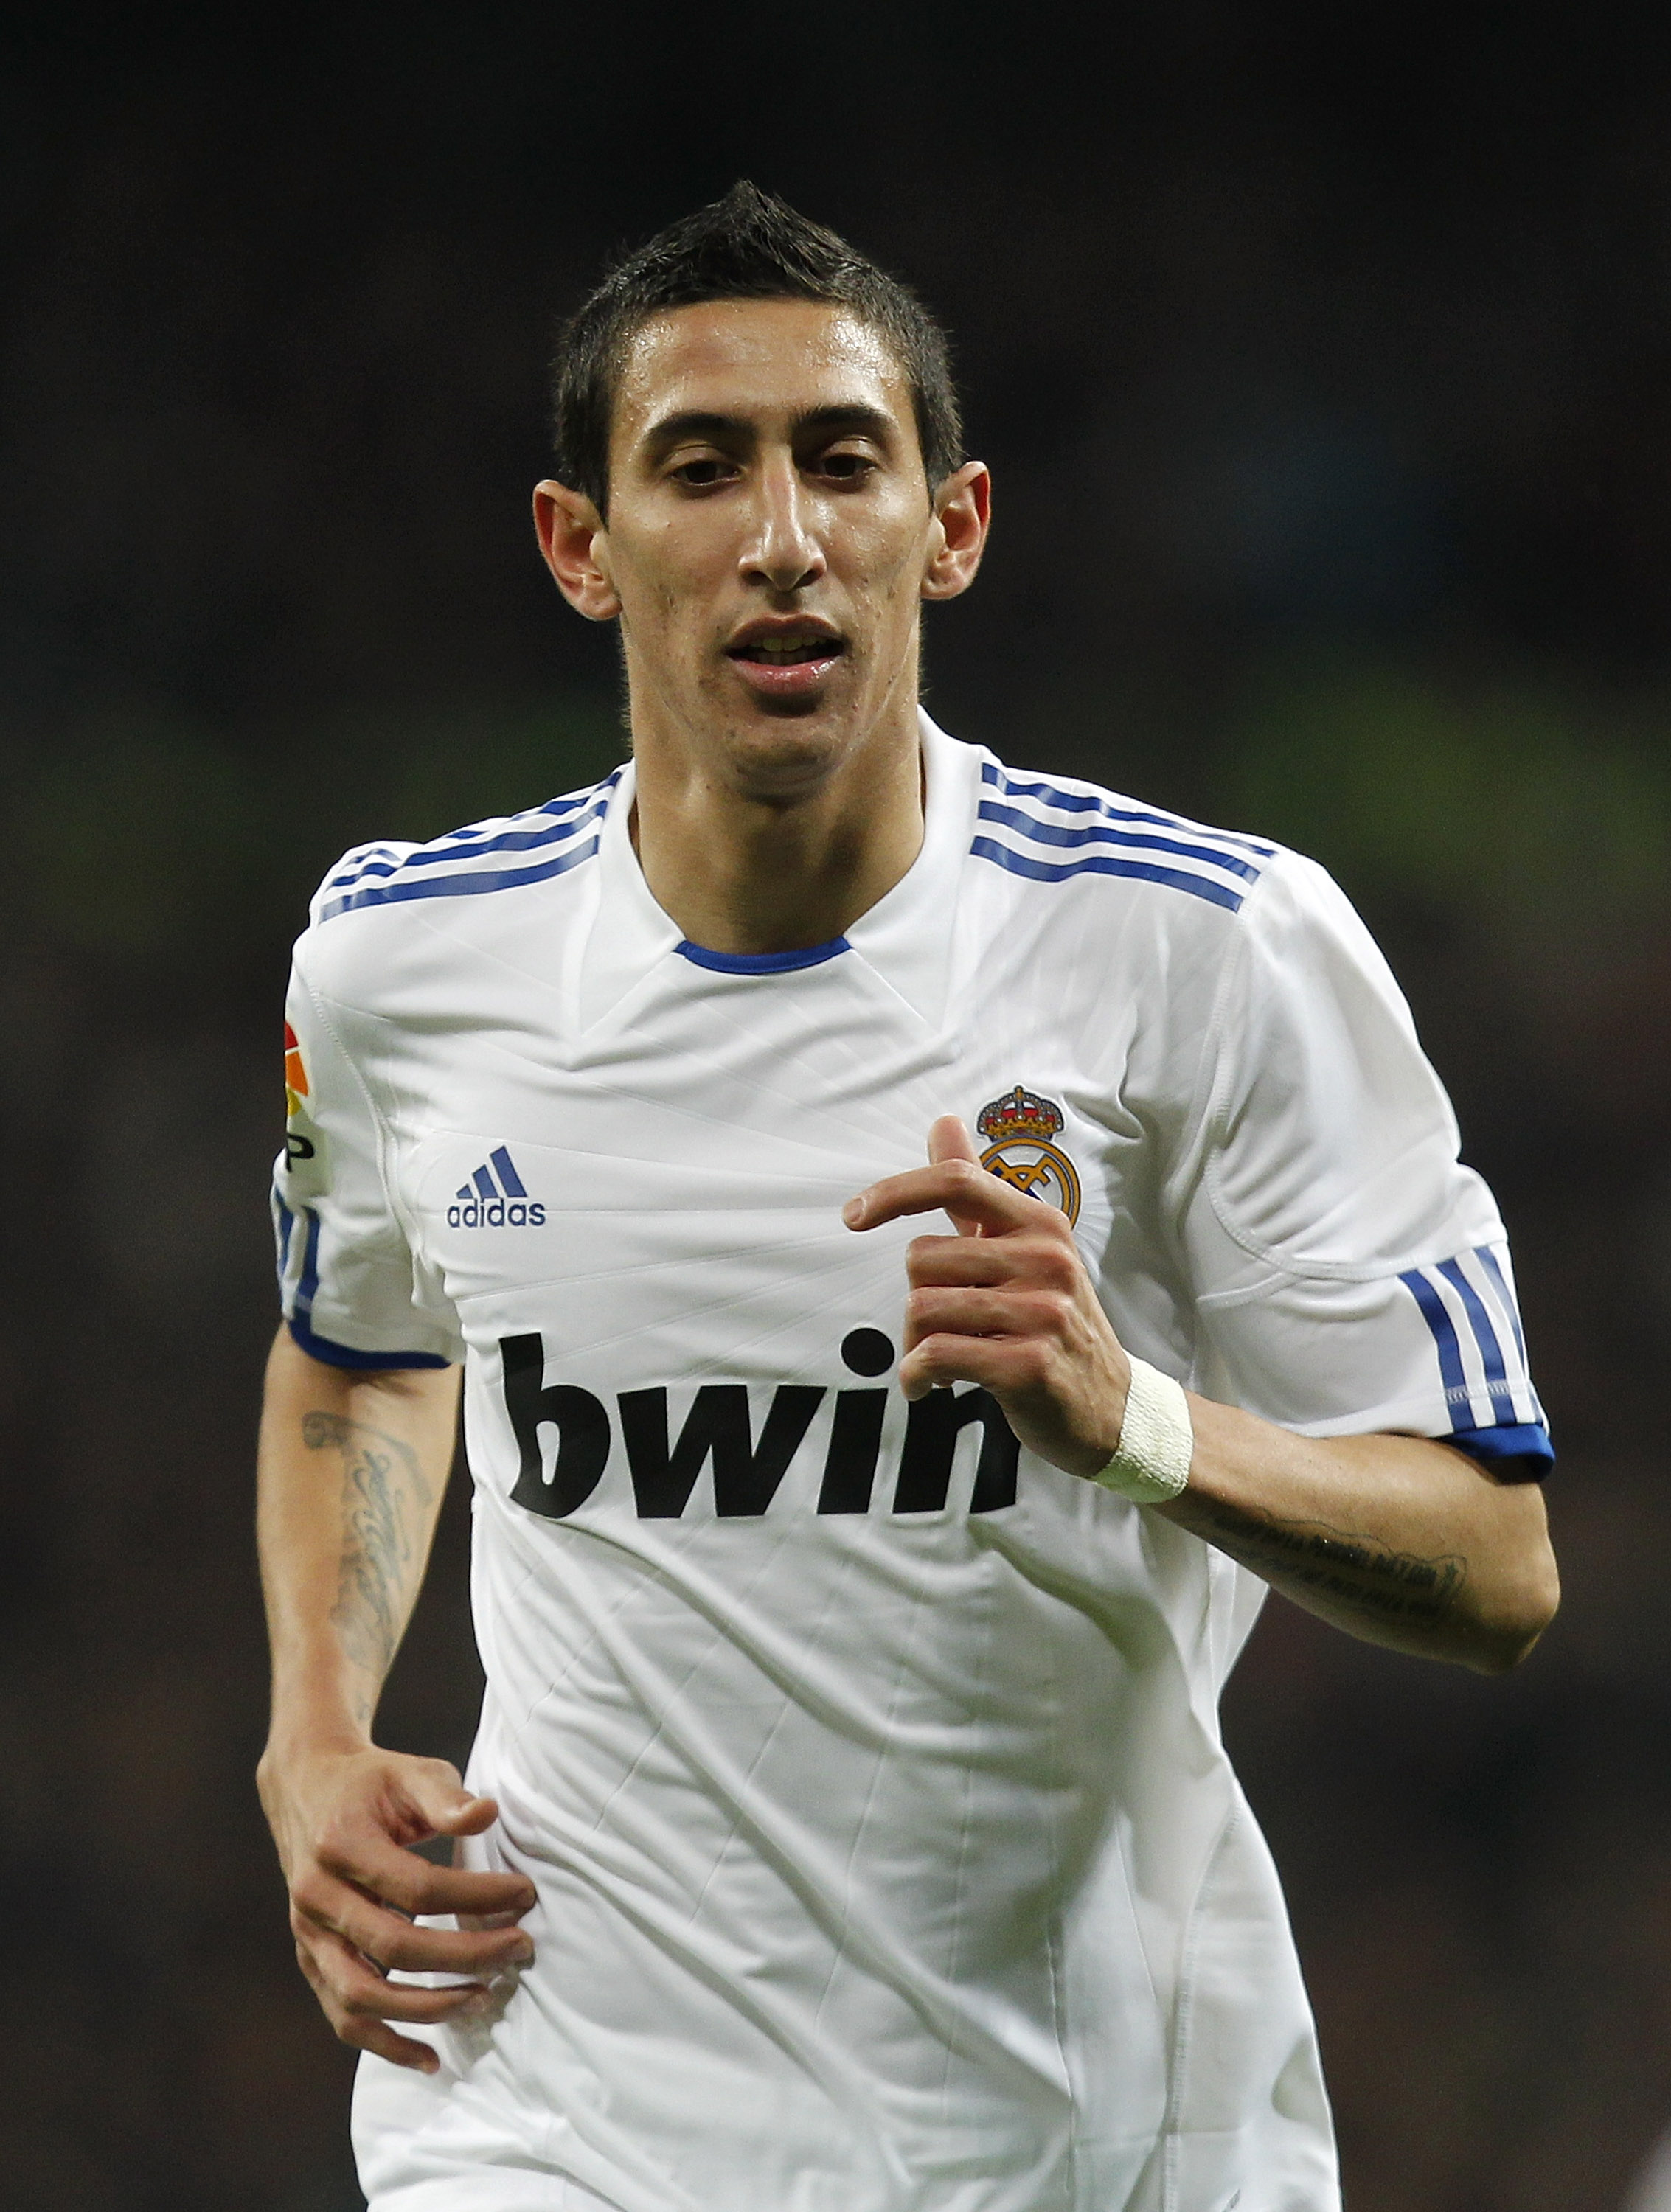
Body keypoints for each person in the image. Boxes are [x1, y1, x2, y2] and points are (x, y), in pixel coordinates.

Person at [256, 181, 1560, 2212]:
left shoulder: (1207, 949)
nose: (782, 535)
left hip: (1089, 2135)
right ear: (581, 547)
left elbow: (1495, 1566)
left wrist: (1132, 1425)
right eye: (703, 467)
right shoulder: (401, 965)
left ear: (949, 527)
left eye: (842, 461)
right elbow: (362, 1350)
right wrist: (317, 1733)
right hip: (556, 2118)